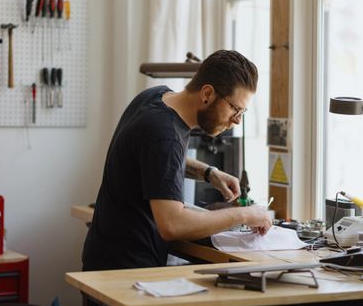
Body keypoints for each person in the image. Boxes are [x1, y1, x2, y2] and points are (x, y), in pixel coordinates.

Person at [82, 49, 272, 271]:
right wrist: (244, 215)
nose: (237, 120)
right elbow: (172, 225)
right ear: (207, 94)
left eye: (243, 112)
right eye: (235, 108)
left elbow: (155, 159)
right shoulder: (166, 134)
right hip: (125, 269)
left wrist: (208, 172)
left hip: (104, 255)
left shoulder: (156, 96)